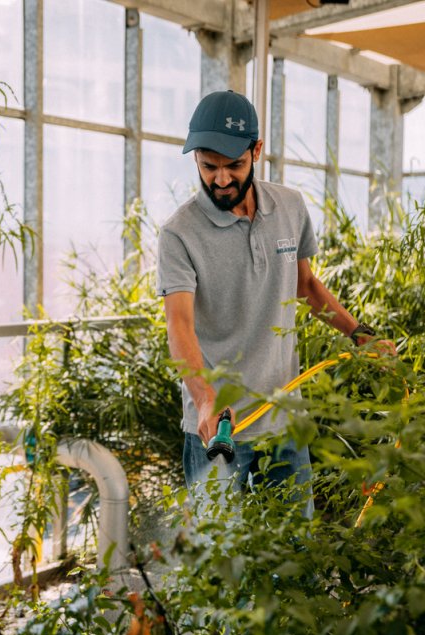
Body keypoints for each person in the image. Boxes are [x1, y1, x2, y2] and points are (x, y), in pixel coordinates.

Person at [157, 90, 391, 514]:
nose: (221, 179)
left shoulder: (290, 208)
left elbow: (305, 285)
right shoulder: (179, 234)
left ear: (257, 150)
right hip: (216, 429)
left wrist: (358, 333)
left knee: (294, 550)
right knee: (218, 559)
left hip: (284, 420)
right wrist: (205, 397)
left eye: (234, 165)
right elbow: (179, 325)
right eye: (209, 167)